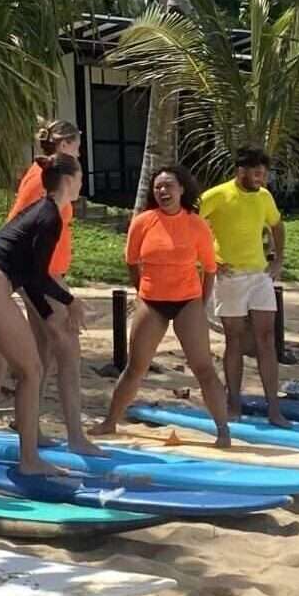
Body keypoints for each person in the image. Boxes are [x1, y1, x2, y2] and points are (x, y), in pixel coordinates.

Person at [0, 154, 87, 476]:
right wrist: (70, 301)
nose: (82, 184)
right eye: (81, 177)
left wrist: (48, 313)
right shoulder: (51, 215)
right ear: (69, 180)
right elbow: (38, 276)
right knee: (31, 371)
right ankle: (30, 460)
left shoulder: (37, 209)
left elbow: (27, 275)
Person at [89, 167, 231, 443]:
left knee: (203, 368)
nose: (163, 191)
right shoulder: (143, 221)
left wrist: (201, 303)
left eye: (168, 186)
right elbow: (132, 262)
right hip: (151, 300)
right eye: (158, 187)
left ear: (181, 189)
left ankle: (223, 430)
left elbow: (210, 268)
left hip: (188, 301)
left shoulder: (196, 224)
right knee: (135, 367)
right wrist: (142, 291)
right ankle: (110, 422)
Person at [4, 119, 101, 456]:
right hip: (41, 276)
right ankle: (75, 435)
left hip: (44, 274)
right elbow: (18, 229)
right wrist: (52, 292)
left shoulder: (43, 175)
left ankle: (28, 423)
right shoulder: (42, 180)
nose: (80, 155)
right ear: (64, 146)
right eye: (77, 148)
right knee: (68, 350)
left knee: (44, 352)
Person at [201, 148, 289, 427]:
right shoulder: (218, 194)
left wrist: (279, 259)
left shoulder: (264, 197)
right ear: (241, 171)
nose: (260, 178)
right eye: (255, 173)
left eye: (263, 173)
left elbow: (277, 225)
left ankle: (274, 408)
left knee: (267, 338)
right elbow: (190, 223)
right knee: (234, 339)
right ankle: (234, 403)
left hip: (259, 275)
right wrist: (209, 260)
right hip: (230, 277)